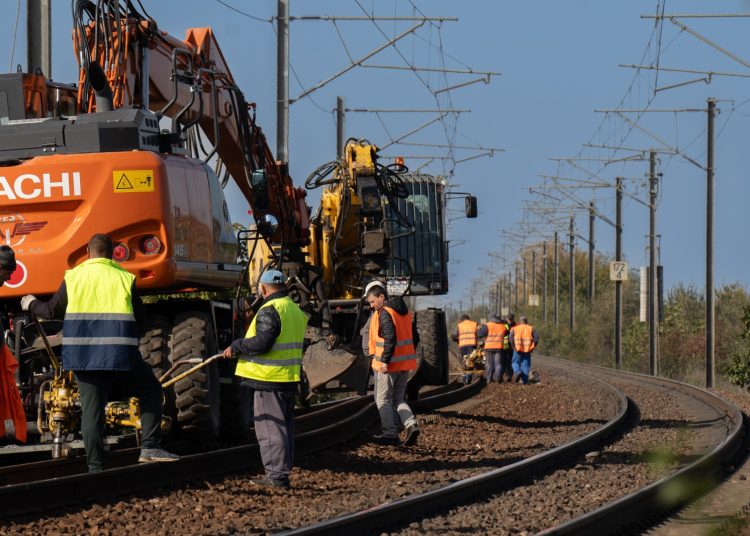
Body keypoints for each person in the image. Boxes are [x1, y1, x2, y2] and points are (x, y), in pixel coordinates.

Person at [21, 234, 178, 472]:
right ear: (113, 252)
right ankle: (149, 447)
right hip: (120, 356)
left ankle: (96, 468)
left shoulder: (73, 277)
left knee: (91, 411)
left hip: (83, 357)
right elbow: (141, 316)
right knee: (151, 390)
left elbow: (51, 310)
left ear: (88, 250)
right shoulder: (124, 278)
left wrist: (31, 303)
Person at [222, 269, 308, 489]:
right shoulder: (294, 309)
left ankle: (276, 476)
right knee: (283, 428)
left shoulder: (270, 309)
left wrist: (237, 345)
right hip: (287, 378)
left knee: (270, 428)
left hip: (268, 379)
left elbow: (262, 342)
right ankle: (281, 471)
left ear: (263, 287)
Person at [365, 281, 420, 447]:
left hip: (388, 366)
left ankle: (390, 435)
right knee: (397, 398)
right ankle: (411, 424)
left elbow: (390, 338)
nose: (372, 305)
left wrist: (385, 361)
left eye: (373, 301)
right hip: (404, 364)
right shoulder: (404, 313)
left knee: (383, 400)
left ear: (382, 297)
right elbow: (415, 338)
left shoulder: (385, 313)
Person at [452, 314, 487, 383]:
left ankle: (465, 376)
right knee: (471, 360)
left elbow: (453, 336)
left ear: (462, 319)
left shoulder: (459, 325)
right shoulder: (474, 324)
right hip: (472, 344)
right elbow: (482, 331)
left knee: (464, 360)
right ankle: (469, 375)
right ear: (469, 319)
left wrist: (458, 339)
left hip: (462, 346)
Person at [509, 316, 539, 385]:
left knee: (515, 362)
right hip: (527, 350)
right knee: (526, 365)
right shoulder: (531, 328)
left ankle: (517, 371)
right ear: (526, 321)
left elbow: (510, 338)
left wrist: (513, 346)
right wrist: (532, 346)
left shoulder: (515, 328)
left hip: (517, 349)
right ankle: (524, 382)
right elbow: (537, 338)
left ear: (520, 321)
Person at [483, 314, 508, 383]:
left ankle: (488, 378)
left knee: (489, 363)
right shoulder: (502, 326)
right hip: (499, 347)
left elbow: (480, 334)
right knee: (498, 363)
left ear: (490, 318)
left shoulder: (487, 325)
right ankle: (497, 378)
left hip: (489, 347)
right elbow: (506, 333)